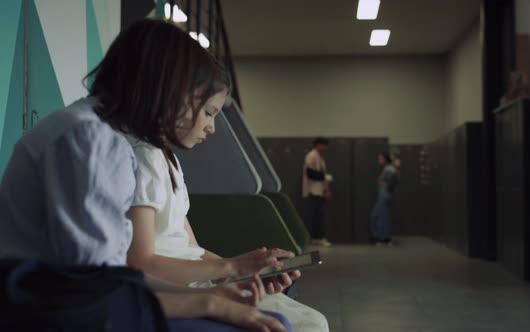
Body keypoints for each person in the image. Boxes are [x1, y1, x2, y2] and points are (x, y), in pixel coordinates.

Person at [0, 19, 291, 332]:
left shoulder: (92, 130)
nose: (209, 125)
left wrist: (212, 292)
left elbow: (111, 277)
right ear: (169, 88)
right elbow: (97, 292)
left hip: (67, 303)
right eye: (203, 107)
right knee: (270, 327)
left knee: (269, 321)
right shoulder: (91, 140)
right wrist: (208, 301)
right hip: (47, 313)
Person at [121, 56, 329, 332]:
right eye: (208, 113)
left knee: (312, 321)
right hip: (176, 288)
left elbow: (191, 249)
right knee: (309, 324)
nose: (211, 127)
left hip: (199, 279)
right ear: (179, 101)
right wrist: (231, 268)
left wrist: (245, 272)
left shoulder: (168, 160)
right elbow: (140, 263)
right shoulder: (141, 157)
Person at [302, 137, 333, 247]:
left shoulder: (319, 157)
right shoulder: (311, 156)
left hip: (319, 191)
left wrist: (326, 191)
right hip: (313, 191)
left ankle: (317, 237)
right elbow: (310, 173)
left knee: (318, 216)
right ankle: (317, 238)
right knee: (315, 216)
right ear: (318, 145)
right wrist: (324, 177)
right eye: (324, 145)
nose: (326, 148)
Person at [370, 153, 400, 245]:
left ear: (385, 160)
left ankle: (384, 239)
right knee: (378, 216)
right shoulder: (387, 169)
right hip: (383, 195)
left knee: (382, 217)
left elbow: (394, 180)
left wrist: (386, 187)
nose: (379, 161)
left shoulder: (389, 169)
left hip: (385, 195)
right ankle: (383, 238)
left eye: (380, 159)